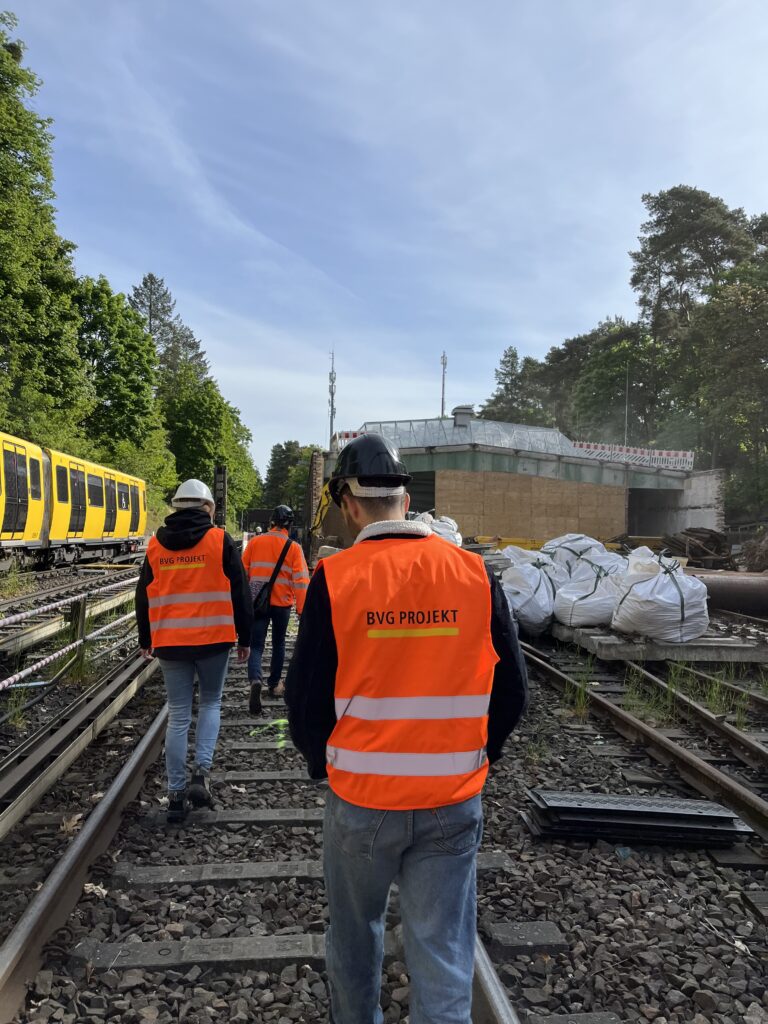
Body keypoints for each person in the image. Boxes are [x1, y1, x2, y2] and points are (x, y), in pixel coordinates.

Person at [285, 434, 528, 1024]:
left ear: (348, 503)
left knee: (354, 935)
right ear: (406, 496)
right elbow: (514, 691)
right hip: (452, 800)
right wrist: (473, 755)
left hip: (362, 800)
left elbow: (305, 700)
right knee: (443, 947)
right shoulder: (472, 573)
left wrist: (329, 763)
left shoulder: (336, 579)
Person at [135, 479, 252, 823]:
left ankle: (174, 794)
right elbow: (241, 591)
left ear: (175, 506)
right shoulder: (219, 540)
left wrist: (146, 639)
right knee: (212, 702)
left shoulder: (156, 545)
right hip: (215, 639)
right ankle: (201, 773)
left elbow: (142, 596)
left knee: (179, 714)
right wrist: (245, 637)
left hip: (170, 642)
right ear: (207, 508)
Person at [241, 504, 310, 714]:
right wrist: (302, 609)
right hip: (282, 603)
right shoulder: (294, 548)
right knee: (279, 643)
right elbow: (301, 581)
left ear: (271, 522)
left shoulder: (255, 542)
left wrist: (243, 602)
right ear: (289, 526)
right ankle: (273, 684)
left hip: (258, 603)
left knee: (256, 645)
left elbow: (243, 573)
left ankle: (255, 679)